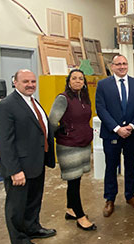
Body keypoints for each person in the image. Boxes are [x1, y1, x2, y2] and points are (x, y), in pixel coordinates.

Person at [0, 69, 56, 244]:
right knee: (16, 207)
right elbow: (4, 142)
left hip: (36, 162)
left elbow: (38, 128)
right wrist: (14, 170)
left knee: (34, 200)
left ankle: (32, 227)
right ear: (15, 82)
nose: (30, 85)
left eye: (33, 81)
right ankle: (19, 242)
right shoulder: (6, 105)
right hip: (19, 167)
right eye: (26, 81)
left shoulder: (32, 101)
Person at [96, 54, 134, 217]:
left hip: (132, 133)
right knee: (111, 167)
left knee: (130, 166)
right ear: (112, 66)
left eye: (124, 63)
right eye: (118, 64)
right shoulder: (103, 85)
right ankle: (110, 199)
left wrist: (131, 126)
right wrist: (117, 128)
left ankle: (130, 196)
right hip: (112, 134)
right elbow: (101, 109)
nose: (122, 66)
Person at [49, 69, 97, 231]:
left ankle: (70, 209)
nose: (78, 81)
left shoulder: (84, 98)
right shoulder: (63, 99)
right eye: (74, 78)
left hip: (82, 144)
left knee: (75, 180)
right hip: (68, 146)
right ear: (69, 81)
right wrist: (63, 134)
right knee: (74, 181)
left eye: (81, 79)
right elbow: (51, 122)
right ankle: (80, 216)